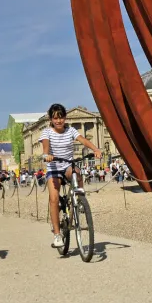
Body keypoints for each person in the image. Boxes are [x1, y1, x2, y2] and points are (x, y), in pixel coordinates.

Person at [41, 104, 102, 248]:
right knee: (54, 199)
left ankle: (80, 199)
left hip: (68, 164)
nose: (58, 121)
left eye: (61, 117)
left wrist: (95, 149)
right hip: (54, 167)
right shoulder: (46, 132)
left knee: (78, 173)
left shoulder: (71, 130)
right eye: (55, 118)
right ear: (51, 119)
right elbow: (45, 147)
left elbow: (83, 140)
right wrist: (47, 155)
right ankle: (57, 235)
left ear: (65, 118)